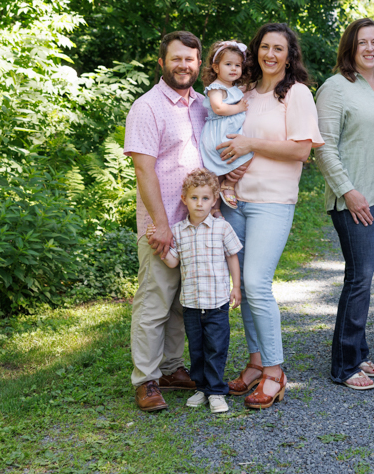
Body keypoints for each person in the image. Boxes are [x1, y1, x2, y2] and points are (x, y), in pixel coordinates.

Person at [218, 22, 324, 410]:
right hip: (235, 201)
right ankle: (255, 361)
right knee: (243, 287)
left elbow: (300, 152)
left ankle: (275, 373)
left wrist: (250, 143)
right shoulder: (243, 94)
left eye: (279, 48)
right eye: (264, 47)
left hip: (272, 202)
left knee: (258, 283)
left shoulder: (296, 94)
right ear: (255, 52)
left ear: (289, 54)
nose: (271, 54)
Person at [315, 18, 374, 391]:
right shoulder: (335, 88)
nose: (370, 49)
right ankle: (344, 365)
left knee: (365, 276)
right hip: (355, 199)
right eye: (362, 42)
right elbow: (323, 146)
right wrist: (348, 191)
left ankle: (359, 349)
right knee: (360, 277)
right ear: (350, 47)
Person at [124, 30, 206, 412]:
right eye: (176, 58)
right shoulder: (148, 106)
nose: (183, 65)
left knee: (181, 305)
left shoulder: (205, 105)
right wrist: (160, 224)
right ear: (162, 62)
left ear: (199, 64)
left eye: (190, 59)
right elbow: (144, 171)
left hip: (197, 226)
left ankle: (173, 369)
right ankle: (146, 379)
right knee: (155, 304)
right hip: (163, 225)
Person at [157, 168, 242, 414]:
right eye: (194, 198)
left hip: (216, 303)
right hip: (192, 304)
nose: (200, 203)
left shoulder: (221, 228)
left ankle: (216, 391)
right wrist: (159, 246)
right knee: (196, 347)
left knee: (216, 346)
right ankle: (201, 388)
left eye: (205, 198)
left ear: (214, 200)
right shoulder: (178, 231)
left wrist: (236, 286)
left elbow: (233, 256)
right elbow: (173, 262)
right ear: (184, 199)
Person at [199, 40, 253, 208]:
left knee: (243, 158)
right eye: (228, 64)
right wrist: (238, 107)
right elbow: (219, 108)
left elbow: (241, 91)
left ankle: (223, 191)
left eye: (237, 65)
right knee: (244, 156)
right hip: (219, 134)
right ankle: (228, 185)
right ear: (216, 68)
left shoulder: (233, 87)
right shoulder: (216, 87)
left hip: (228, 132)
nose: (233, 68)